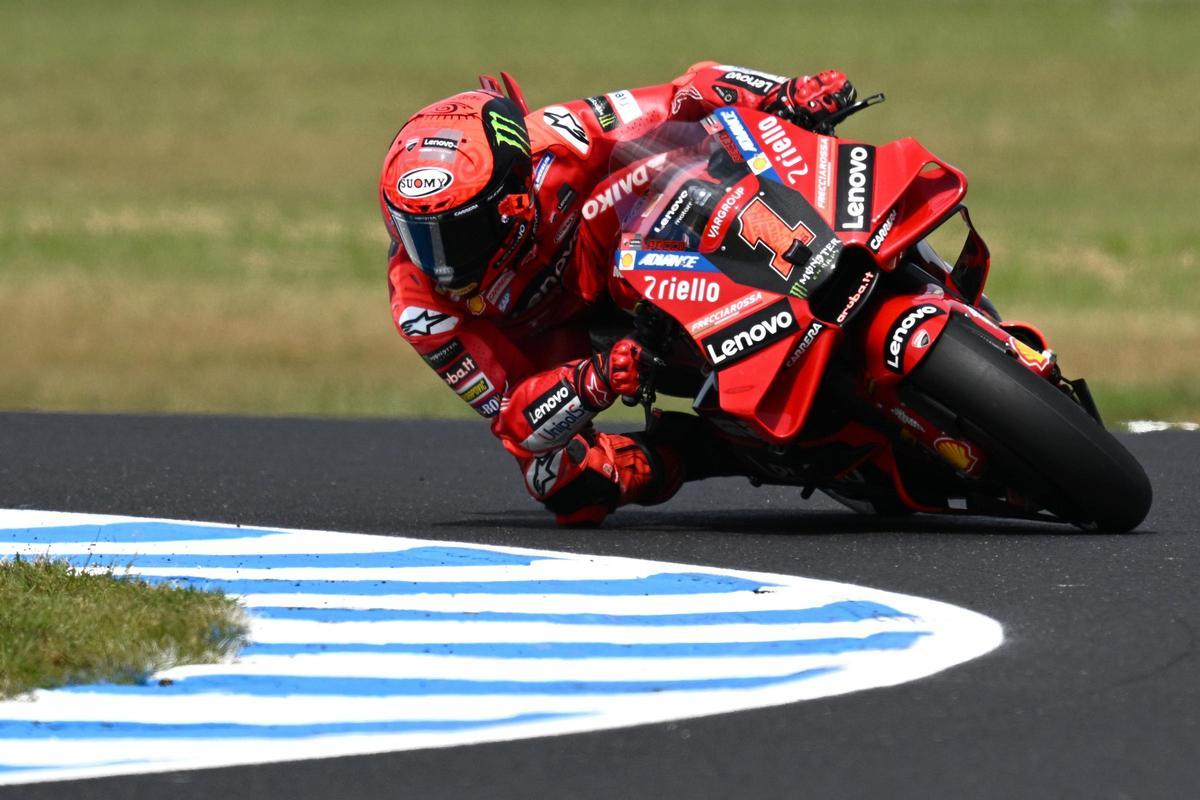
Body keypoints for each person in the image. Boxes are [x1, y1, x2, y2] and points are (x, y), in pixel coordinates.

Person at [379, 62, 855, 524]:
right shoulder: (419, 307)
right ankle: (714, 449)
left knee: (685, 166)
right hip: (558, 347)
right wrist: (596, 378)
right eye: (418, 234)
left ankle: (827, 240)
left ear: (512, 198)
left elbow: (685, 94)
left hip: (614, 248)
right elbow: (515, 422)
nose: (439, 262)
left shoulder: (560, 137)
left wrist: (782, 93)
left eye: (456, 234)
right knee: (561, 482)